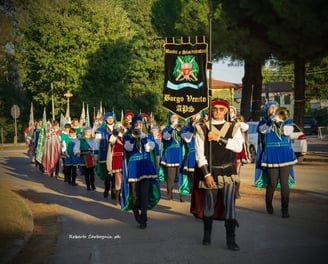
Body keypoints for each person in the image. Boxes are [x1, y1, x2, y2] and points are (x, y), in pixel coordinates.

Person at [190, 98, 244, 251]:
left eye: (221, 109)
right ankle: (207, 235)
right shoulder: (202, 128)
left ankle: (231, 240)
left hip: (228, 171)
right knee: (209, 204)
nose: (218, 112)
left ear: (226, 111)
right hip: (211, 171)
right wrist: (206, 174)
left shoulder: (234, 127)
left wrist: (219, 138)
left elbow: (238, 147)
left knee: (229, 205)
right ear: (211, 110)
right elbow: (200, 155)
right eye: (215, 109)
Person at [255, 100, 297, 218]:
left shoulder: (286, 120)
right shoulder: (264, 122)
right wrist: (271, 120)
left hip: (284, 154)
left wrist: (281, 121)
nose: (274, 109)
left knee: (284, 184)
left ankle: (285, 209)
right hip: (271, 154)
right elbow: (263, 130)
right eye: (271, 107)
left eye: (275, 107)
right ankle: (269, 204)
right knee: (272, 183)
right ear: (267, 110)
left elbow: (288, 132)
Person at [121, 115, 161, 229]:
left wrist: (142, 137)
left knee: (144, 194)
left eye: (141, 123)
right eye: (136, 123)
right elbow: (128, 148)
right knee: (134, 196)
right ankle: (136, 214)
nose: (139, 125)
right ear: (133, 125)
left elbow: (149, 148)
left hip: (145, 166)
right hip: (134, 167)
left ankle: (144, 216)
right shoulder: (127, 136)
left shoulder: (148, 136)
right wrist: (134, 137)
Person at [160, 112, 183, 201]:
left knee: (181, 175)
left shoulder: (181, 128)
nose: (174, 119)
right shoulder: (166, 129)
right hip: (170, 154)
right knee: (170, 177)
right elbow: (166, 137)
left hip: (180, 153)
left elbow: (187, 139)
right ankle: (169, 194)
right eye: (172, 117)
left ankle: (182, 196)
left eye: (176, 117)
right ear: (169, 119)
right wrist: (172, 127)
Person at [229, 106, 250, 198]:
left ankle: (236, 192)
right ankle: (229, 191)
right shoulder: (225, 121)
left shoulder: (238, 120)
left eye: (232, 111)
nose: (231, 112)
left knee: (237, 171)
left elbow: (246, 127)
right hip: (228, 148)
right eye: (229, 111)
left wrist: (237, 121)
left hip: (238, 149)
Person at [95, 112, 116, 198]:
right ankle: (107, 188)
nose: (110, 119)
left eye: (111, 118)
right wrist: (96, 154)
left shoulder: (118, 128)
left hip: (116, 154)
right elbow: (97, 142)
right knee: (107, 173)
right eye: (108, 118)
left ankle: (114, 192)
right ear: (105, 119)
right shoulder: (101, 129)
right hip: (105, 153)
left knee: (116, 173)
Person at [107, 122, 125, 205]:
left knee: (125, 180)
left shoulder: (126, 136)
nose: (120, 128)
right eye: (118, 127)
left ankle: (124, 198)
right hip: (117, 159)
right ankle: (117, 198)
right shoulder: (113, 136)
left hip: (125, 159)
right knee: (118, 181)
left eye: (121, 127)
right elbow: (111, 142)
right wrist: (115, 133)